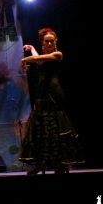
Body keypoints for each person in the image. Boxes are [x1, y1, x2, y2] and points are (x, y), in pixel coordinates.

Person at [18, 27, 85, 175]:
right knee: (40, 127)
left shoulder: (58, 54)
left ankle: (62, 163)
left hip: (54, 92)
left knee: (56, 126)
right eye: (46, 41)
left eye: (51, 41)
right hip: (41, 92)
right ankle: (39, 163)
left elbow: (37, 59)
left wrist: (24, 59)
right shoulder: (44, 56)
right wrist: (32, 48)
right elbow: (39, 59)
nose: (49, 43)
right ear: (43, 42)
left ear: (55, 42)